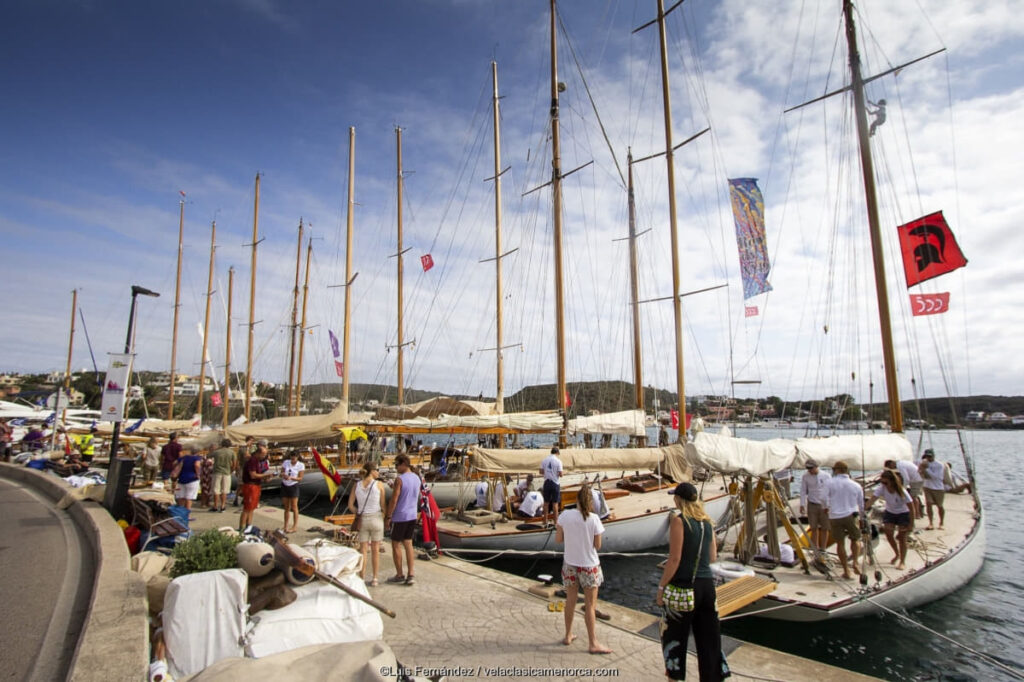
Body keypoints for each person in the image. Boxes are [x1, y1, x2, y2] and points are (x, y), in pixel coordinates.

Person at [658, 482, 729, 681]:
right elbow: (712, 556)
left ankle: (675, 677)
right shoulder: (708, 522)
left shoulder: (679, 522)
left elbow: (674, 559)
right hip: (707, 587)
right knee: (709, 640)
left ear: (679, 499)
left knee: (675, 638)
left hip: (684, 586)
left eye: (675, 496)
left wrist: (662, 587)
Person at [556, 483, 611, 655]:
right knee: (590, 605)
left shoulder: (565, 515)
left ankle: (567, 635)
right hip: (589, 565)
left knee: (570, 601)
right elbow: (598, 545)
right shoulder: (594, 519)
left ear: (577, 499)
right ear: (591, 503)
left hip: (570, 563)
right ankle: (593, 642)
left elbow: (559, 539)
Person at [384, 453, 421, 586]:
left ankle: (399, 574)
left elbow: (394, 500)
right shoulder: (417, 478)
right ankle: (411, 573)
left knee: (395, 544)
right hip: (412, 515)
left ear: (403, 464)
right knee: (408, 543)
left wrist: (388, 516)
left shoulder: (400, 480)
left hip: (400, 516)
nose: (396, 468)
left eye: (397, 465)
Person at [823, 460, 864, 580]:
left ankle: (846, 570)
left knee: (840, 543)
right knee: (855, 539)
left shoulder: (829, 482)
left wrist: (826, 507)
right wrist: (862, 517)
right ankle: (855, 562)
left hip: (835, 516)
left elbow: (823, 498)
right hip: (851, 514)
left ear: (837, 470)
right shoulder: (856, 485)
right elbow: (861, 504)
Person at [866, 468, 914, 570]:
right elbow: (872, 499)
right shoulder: (882, 488)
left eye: (886, 482)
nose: (883, 484)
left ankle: (902, 561)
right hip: (890, 512)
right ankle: (897, 554)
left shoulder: (902, 491)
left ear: (892, 481)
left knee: (902, 538)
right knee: (889, 534)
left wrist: (911, 523)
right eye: (882, 482)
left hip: (903, 513)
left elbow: (911, 507)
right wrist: (863, 508)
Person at [348, 461, 386, 586]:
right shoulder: (379, 484)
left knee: (363, 550)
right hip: (376, 518)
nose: (378, 472)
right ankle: (375, 578)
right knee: (375, 549)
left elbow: (350, 505)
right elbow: (383, 505)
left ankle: (362, 577)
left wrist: (358, 512)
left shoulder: (356, 485)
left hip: (362, 519)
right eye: (377, 470)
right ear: (372, 471)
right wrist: (385, 517)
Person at [799, 459, 831, 550]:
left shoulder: (826, 476)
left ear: (816, 467)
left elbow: (830, 491)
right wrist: (802, 504)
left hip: (823, 505)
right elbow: (803, 490)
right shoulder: (805, 476)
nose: (809, 470)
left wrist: (828, 505)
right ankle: (815, 548)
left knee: (825, 528)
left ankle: (823, 548)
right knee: (813, 527)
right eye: (808, 469)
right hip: (812, 504)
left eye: (811, 468)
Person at [239, 443, 272, 531]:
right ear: (258, 453)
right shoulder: (252, 461)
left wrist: (265, 478)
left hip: (255, 485)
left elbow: (257, 474)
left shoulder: (256, 461)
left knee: (252, 508)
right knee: (247, 508)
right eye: (264, 454)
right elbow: (253, 475)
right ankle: (242, 527)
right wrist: (265, 476)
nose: (264, 456)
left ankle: (248, 525)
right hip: (250, 485)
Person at [171, 445, 204, 512]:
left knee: (181, 497)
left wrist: (177, 470)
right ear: (198, 452)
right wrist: (198, 474)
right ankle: (186, 515)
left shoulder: (183, 458)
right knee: (189, 497)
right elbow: (197, 465)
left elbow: (174, 463)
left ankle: (179, 513)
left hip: (182, 478)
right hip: (192, 479)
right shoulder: (197, 458)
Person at [919, 449, 946, 530]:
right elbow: (920, 473)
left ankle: (941, 522)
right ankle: (930, 523)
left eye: (930, 456)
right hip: (927, 487)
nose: (928, 458)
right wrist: (921, 468)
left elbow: (935, 477)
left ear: (933, 456)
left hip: (938, 488)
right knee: (929, 503)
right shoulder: (924, 463)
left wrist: (926, 469)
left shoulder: (939, 465)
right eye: (927, 456)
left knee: (939, 506)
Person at [280, 449, 305, 533]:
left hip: (293, 485)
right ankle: (285, 525)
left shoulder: (300, 465)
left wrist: (291, 478)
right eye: (291, 458)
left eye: (294, 458)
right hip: (285, 485)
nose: (292, 460)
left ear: (297, 457)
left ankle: (294, 526)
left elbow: (300, 478)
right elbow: (282, 472)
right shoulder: (286, 462)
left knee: (294, 506)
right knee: (286, 507)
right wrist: (284, 475)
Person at [539, 446, 564, 527]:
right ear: (557, 453)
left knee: (546, 503)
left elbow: (541, 472)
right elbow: (561, 474)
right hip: (555, 483)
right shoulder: (558, 461)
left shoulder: (544, 460)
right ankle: (555, 522)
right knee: (555, 503)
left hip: (547, 482)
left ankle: (545, 521)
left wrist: (547, 473)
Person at [209, 438, 236, 512]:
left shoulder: (217, 452)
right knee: (225, 490)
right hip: (227, 472)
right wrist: (231, 470)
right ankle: (223, 506)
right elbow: (234, 463)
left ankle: (215, 506)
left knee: (216, 490)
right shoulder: (232, 452)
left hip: (217, 472)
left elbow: (209, 456)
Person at [233, 436, 256, 507]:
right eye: (250, 440)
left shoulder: (254, 449)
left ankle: (245, 499)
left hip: (251, 468)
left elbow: (256, 457)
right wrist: (237, 469)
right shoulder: (242, 449)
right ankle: (236, 498)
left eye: (252, 441)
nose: (251, 442)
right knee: (241, 484)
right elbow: (238, 459)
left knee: (249, 484)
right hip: (243, 467)